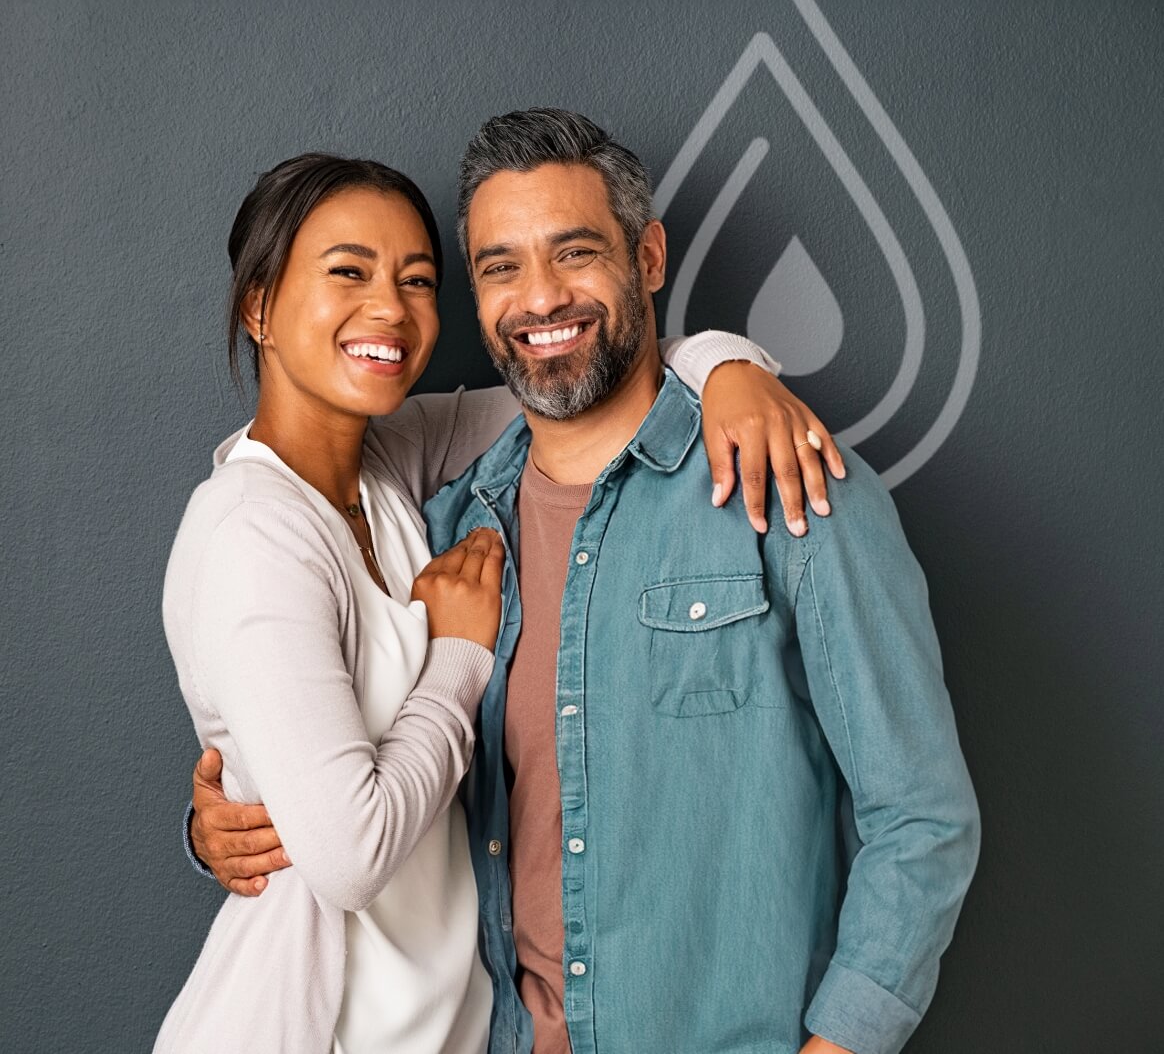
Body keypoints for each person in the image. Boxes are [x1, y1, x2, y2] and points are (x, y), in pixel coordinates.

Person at [190, 111, 979, 1054]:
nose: (540, 298)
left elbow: (921, 817)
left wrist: (726, 360)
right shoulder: (449, 535)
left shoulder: (788, 485)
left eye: (576, 252)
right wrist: (225, 812)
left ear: (648, 256)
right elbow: (347, 758)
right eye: (499, 267)